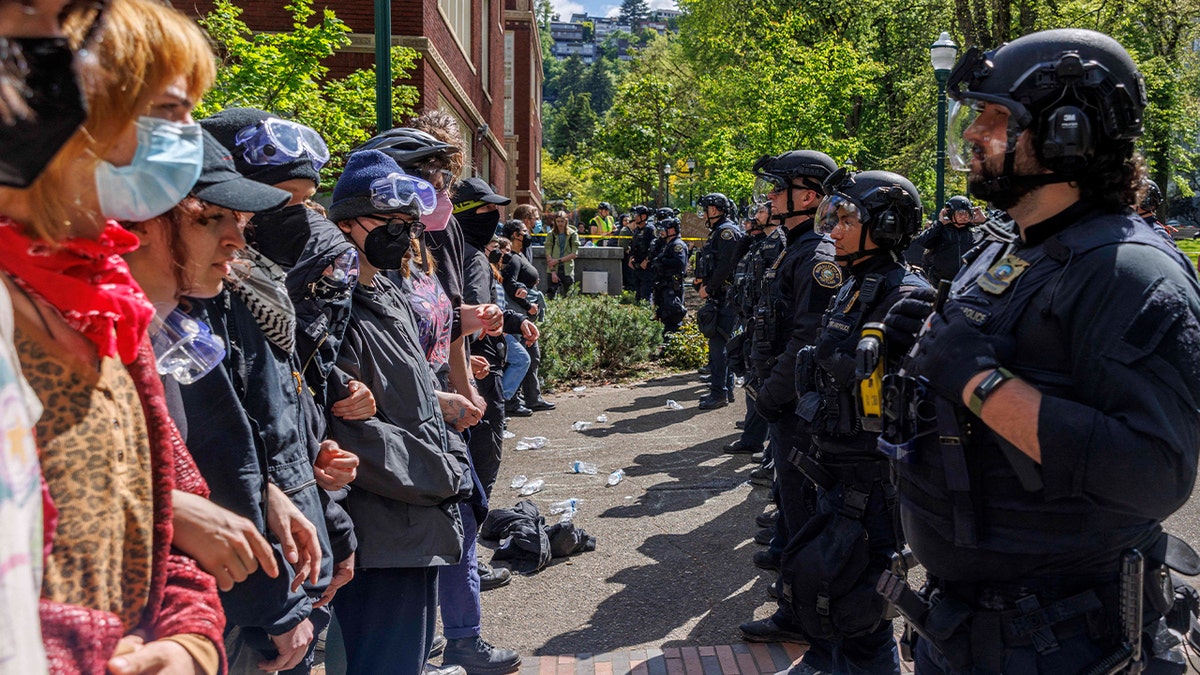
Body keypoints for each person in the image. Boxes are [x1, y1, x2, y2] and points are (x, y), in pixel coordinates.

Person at [880, 28, 1200, 674]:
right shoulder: (1009, 249)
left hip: (1059, 640)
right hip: (967, 628)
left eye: (997, 118)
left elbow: (1156, 470)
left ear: (1067, 132)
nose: (974, 135)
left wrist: (977, 380)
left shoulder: (1129, 271)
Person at [0, 0, 228, 672]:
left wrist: (188, 648)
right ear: (77, 117)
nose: (191, 139)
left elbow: (167, 528)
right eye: (168, 113)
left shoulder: (110, 309)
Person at [774, 169, 928, 675]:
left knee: (863, 612)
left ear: (884, 226)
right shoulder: (853, 286)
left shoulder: (906, 295)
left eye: (845, 219)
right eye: (831, 217)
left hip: (873, 484)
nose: (832, 229)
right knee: (830, 598)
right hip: (836, 472)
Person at [325, 150, 469, 675]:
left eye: (409, 225)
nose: (402, 235)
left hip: (420, 523)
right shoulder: (331, 307)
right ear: (345, 223)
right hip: (380, 531)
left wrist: (446, 447)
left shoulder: (388, 291)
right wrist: (441, 471)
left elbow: (419, 390)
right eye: (387, 223)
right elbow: (348, 433)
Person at [736, 152, 839, 641]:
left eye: (779, 189)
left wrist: (772, 396)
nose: (770, 197)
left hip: (795, 406)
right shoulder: (792, 247)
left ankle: (803, 617)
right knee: (792, 507)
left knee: (803, 512)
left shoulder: (816, 254)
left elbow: (808, 339)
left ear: (810, 196)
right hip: (784, 403)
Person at [500, 219, 554, 413]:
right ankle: (512, 400)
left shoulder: (519, 255)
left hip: (522, 314)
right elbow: (510, 284)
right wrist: (528, 304)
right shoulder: (513, 258)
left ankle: (530, 397)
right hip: (518, 314)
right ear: (515, 234)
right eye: (524, 230)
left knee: (531, 356)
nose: (528, 233)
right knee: (522, 357)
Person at [694, 193, 742, 410]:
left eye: (705, 209)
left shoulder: (726, 233)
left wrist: (710, 287)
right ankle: (726, 390)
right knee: (722, 343)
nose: (703, 213)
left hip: (725, 296)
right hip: (721, 295)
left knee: (719, 344)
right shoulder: (720, 231)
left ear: (714, 210)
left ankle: (719, 393)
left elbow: (726, 266)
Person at [912, 194, 984, 285]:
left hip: (968, 283)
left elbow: (997, 242)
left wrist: (985, 221)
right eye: (960, 213)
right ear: (950, 213)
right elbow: (923, 242)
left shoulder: (976, 231)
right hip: (941, 284)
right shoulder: (941, 230)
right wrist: (939, 223)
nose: (964, 216)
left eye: (967, 213)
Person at [649, 208, 687, 335]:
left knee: (672, 314)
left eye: (663, 229)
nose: (661, 232)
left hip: (672, 286)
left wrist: (663, 261)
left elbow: (679, 263)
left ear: (671, 230)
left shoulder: (677, 245)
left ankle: (672, 342)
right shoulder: (667, 244)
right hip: (663, 285)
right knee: (663, 315)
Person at [545, 209, 579, 298]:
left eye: (562, 221)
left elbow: (574, 254)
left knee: (569, 297)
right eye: (558, 221)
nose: (560, 224)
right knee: (551, 296)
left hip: (567, 269)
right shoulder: (551, 234)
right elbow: (548, 253)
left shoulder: (573, 234)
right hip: (552, 270)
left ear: (566, 221)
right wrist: (552, 271)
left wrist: (557, 261)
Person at [627, 205, 655, 302]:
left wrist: (647, 260)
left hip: (647, 269)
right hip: (637, 268)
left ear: (643, 216)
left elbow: (654, 248)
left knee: (646, 296)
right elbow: (633, 246)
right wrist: (631, 258)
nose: (634, 217)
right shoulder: (636, 230)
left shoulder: (650, 230)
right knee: (638, 296)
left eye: (636, 215)